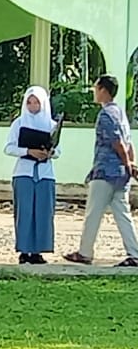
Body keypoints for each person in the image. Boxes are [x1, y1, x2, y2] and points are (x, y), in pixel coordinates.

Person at [66, 74, 138, 267]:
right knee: (123, 214)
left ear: (103, 90)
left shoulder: (105, 115)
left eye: (96, 88)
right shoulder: (121, 113)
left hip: (105, 171)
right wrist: (130, 164)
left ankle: (85, 252)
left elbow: (118, 142)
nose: (94, 92)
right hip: (121, 174)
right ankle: (134, 253)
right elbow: (128, 143)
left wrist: (127, 162)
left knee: (93, 213)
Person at [4, 86, 58, 265]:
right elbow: (9, 147)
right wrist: (29, 151)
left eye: (37, 102)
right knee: (24, 212)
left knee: (43, 212)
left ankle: (37, 251)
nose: (33, 105)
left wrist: (49, 153)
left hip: (45, 174)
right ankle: (24, 250)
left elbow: (58, 151)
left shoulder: (51, 125)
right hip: (24, 173)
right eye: (29, 102)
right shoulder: (19, 123)